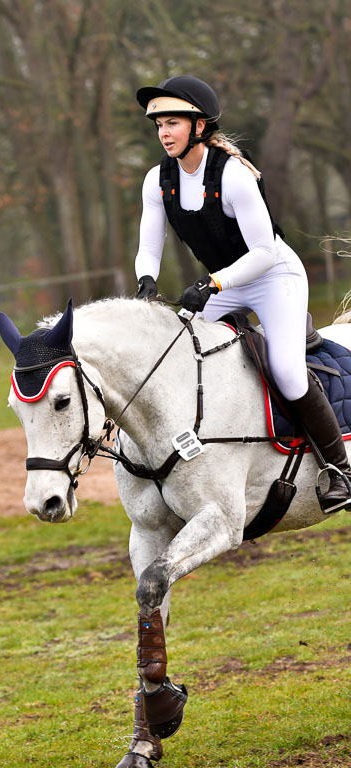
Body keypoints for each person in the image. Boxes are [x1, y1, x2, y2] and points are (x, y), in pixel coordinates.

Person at [134, 74, 351, 512]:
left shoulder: (232, 174)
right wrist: (146, 282)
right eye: (158, 125)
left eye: (172, 123)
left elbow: (265, 254)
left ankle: (339, 470)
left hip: (274, 277)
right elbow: (148, 247)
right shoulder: (158, 180)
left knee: (287, 371)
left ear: (199, 126)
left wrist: (213, 283)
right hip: (226, 281)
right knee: (176, 351)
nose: (163, 133)